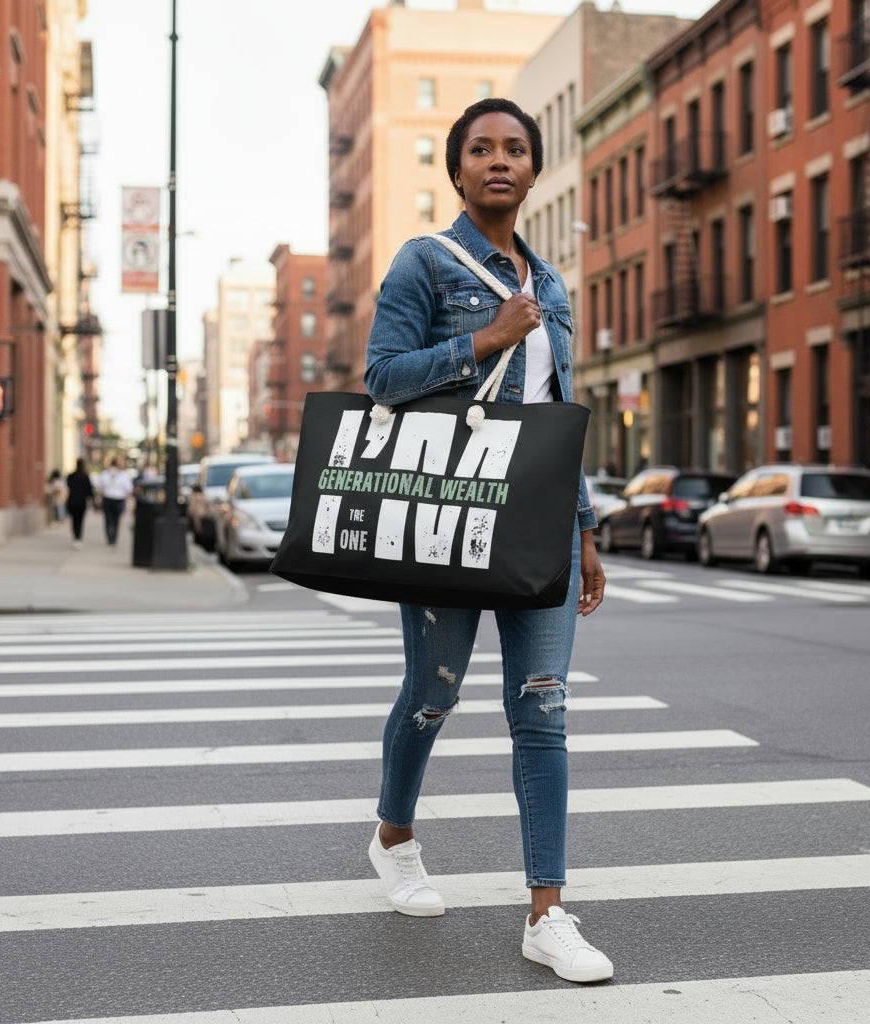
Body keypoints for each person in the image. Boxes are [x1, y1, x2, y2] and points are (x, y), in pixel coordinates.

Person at [363, 98, 611, 984]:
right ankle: (394, 838)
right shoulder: (424, 262)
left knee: (543, 707)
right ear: (458, 170)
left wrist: (586, 527)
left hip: (541, 522)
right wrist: (483, 341)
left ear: (535, 170)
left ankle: (547, 913)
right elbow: (382, 378)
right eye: (481, 149)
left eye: (515, 149)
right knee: (432, 694)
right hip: (451, 512)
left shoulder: (553, 287)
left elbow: (556, 418)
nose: (499, 160)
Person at [97, 456, 135, 545]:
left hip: (112, 499)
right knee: (115, 520)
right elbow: (129, 488)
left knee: (109, 519)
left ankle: (111, 538)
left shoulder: (107, 474)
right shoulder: (121, 475)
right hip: (114, 499)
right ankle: (112, 538)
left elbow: (100, 485)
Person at [65, 458, 94, 548]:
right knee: (80, 521)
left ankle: (76, 537)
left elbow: (68, 486)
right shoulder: (85, 477)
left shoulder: (71, 476)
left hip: (72, 502)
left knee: (74, 521)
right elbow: (89, 491)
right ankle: (78, 538)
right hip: (81, 502)